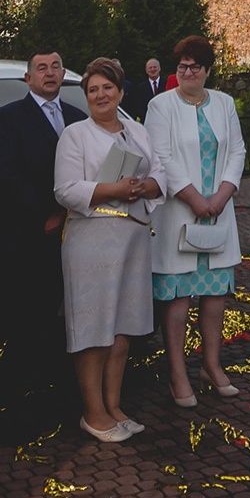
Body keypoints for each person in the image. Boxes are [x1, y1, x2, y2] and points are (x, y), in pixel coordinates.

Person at [55, 57, 165, 441]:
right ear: (85, 96)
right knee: (94, 327)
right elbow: (65, 189)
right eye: (92, 90)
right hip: (92, 239)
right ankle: (93, 411)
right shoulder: (75, 135)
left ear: (119, 91)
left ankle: (114, 405)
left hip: (133, 237)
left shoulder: (136, 130)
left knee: (123, 328)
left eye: (107, 87)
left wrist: (148, 186)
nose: (101, 95)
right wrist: (113, 190)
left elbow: (160, 171)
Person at [0, 48, 85, 430]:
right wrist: (49, 215)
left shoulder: (78, 119)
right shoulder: (7, 118)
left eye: (56, 66)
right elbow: (5, 176)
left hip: (69, 236)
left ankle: (55, 398)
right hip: (23, 236)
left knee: (55, 319)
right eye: (41, 68)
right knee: (19, 322)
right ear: (27, 78)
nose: (49, 73)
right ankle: (10, 406)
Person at [146, 35, 245, 409]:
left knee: (214, 294)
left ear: (207, 70)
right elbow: (163, 157)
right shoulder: (160, 106)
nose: (187, 72)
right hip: (179, 212)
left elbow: (236, 149)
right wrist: (194, 198)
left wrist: (221, 195)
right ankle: (177, 372)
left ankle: (212, 364)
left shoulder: (224, 103)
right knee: (177, 298)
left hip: (218, 211)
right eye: (182, 66)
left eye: (195, 67)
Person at [122, 56, 166, 121]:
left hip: (165, 120)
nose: (152, 69)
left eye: (155, 67)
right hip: (147, 122)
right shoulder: (140, 88)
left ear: (159, 68)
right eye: (150, 68)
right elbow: (138, 107)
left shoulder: (167, 84)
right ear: (146, 70)